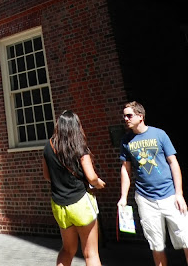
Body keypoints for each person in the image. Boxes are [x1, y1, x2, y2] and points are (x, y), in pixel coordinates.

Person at [118, 101, 188, 266]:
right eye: (124, 116)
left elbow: (173, 163)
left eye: (129, 115)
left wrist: (179, 194)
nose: (126, 119)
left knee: (185, 237)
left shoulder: (159, 134)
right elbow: (125, 170)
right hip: (145, 199)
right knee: (156, 244)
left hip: (169, 195)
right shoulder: (126, 140)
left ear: (140, 116)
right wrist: (123, 197)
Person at [43, 110, 106, 266]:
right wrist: (99, 183)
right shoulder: (79, 148)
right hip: (80, 204)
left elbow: (47, 176)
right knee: (90, 254)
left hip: (59, 206)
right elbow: (91, 177)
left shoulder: (48, 147)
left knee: (67, 250)